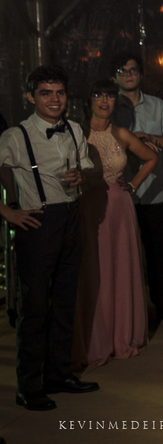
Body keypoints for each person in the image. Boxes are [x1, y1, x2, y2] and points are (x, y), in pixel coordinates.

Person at [0, 66, 99, 411]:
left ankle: (58, 375)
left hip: (71, 217)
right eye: (46, 92)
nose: (54, 99)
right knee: (35, 307)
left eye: (59, 92)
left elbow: (86, 166)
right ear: (31, 97)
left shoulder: (73, 128)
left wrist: (80, 176)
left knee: (64, 300)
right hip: (37, 222)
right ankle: (28, 385)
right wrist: (7, 211)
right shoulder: (16, 135)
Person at [73, 79, 158, 369]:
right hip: (88, 206)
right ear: (89, 100)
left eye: (109, 96)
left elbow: (151, 157)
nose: (104, 100)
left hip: (119, 207)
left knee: (119, 269)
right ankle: (95, 340)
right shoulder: (77, 132)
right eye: (98, 94)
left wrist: (133, 185)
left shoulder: (121, 133)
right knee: (93, 270)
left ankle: (121, 336)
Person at [110, 51, 163, 324]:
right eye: (122, 71)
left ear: (141, 74)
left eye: (132, 70)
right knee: (122, 256)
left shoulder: (156, 105)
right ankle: (129, 313)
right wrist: (133, 142)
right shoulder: (109, 106)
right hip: (122, 192)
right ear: (114, 77)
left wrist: (151, 137)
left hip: (155, 192)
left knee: (157, 253)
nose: (128, 75)